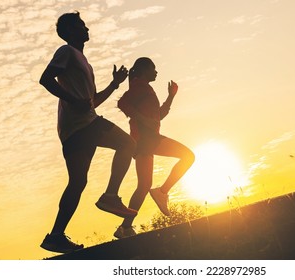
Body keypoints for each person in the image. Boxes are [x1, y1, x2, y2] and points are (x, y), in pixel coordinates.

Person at [39, 11, 137, 253]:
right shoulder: (67, 52)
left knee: (77, 182)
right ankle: (110, 197)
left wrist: (114, 85)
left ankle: (56, 236)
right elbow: (46, 79)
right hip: (83, 125)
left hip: (74, 129)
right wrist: (74, 100)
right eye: (82, 25)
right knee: (128, 144)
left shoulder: (83, 62)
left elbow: (90, 101)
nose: (87, 29)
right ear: (70, 31)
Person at [115, 57, 195, 238]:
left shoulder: (146, 89)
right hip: (147, 139)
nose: (157, 72)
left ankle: (125, 228)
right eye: (154, 68)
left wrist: (171, 96)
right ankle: (162, 191)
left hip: (143, 141)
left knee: (143, 186)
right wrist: (141, 119)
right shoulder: (139, 86)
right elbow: (122, 103)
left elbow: (158, 116)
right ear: (144, 70)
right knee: (188, 156)